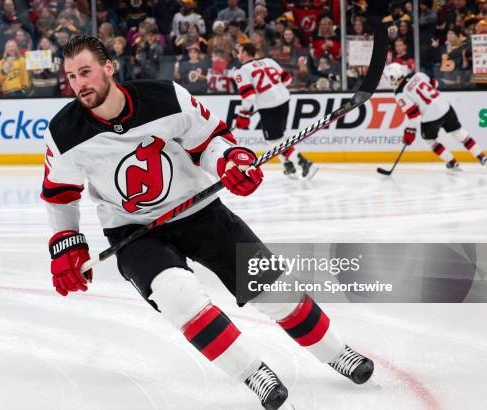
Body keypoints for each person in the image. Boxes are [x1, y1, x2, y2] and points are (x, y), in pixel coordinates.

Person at [41, 35, 374, 410]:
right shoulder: (64, 132)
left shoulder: (166, 96)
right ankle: (253, 373)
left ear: (108, 67)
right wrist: (67, 243)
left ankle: (337, 352)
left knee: (273, 288)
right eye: (71, 77)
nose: (79, 84)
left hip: (200, 212)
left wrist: (229, 163)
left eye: (85, 72)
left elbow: (210, 141)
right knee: (177, 295)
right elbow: (60, 194)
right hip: (134, 233)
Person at [233, 42, 318, 179]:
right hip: (284, 100)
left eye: (239, 52)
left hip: (268, 107)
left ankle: (304, 163)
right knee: (278, 137)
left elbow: (249, 97)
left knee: (274, 141)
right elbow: (287, 80)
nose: (238, 55)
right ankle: (288, 166)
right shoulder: (269, 61)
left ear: (244, 53)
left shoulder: (241, 70)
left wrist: (244, 115)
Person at [384, 62, 486, 169]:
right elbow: (435, 84)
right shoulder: (418, 75)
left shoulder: (400, 93)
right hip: (445, 107)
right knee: (459, 133)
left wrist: (410, 132)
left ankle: (452, 162)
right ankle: (481, 156)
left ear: (393, 77)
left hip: (430, 118)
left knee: (430, 141)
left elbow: (415, 116)